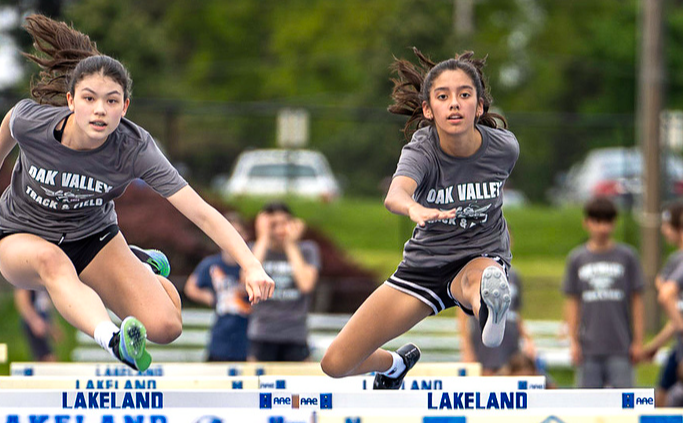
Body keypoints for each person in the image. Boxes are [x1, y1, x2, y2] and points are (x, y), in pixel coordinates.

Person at [0, 15, 274, 372]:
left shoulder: (134, 148)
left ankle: (140, 264)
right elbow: (10, 120)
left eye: (112, 101)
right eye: (89, 99)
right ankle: (114, 341)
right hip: (22, 235)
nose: (100, 110)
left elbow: (201, 212)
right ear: (70, 100)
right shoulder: (34, 123)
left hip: (91, 236)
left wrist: (251, 265)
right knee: (52, 262)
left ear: (124, 107)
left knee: (165, 327)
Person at [320, 49, 518, 389]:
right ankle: (396, 364)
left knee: (480, 278)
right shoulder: (422, 149)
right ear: (429, 109)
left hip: (477, 259)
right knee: (335, 363)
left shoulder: (504, 149)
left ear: (480, 106)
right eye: (443, 96)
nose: (454, 103)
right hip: (423, 267)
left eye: (464, 95)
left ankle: (488, 304)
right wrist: (413, 207)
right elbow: (396, 193)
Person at [563, 196, 644, 388]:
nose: (602, 228)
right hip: (588, 348)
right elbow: (572, 302)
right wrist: (573, 341)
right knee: (587, 405)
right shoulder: (577, 258)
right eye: (597, 221)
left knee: (625, 404)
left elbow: (637, 301)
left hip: (620, 347)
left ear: (614, 224)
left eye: (607, 222)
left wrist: (638, 341)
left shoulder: (627, 257)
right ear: (587, 223)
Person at [247, 202, 321, 362]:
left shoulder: (307, 250)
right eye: (274, 224)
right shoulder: (255, 249)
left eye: (285, 222)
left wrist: (290, 244)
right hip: (262, 333)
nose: (280, 229)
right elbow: (244, 281)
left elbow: (306, 284)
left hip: (295, 334)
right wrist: (263, 237)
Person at [184, 212, 253, 362]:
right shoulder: (211, 264)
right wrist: (209, 297)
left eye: (239, 233)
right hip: (221, 336)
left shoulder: (253, 264)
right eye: (229, 233)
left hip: (249, 336)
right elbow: (191, 287)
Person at [457, 266, 535, 375]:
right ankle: (487, 314)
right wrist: (466, 347)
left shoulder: (514, 276)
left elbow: (516, 313)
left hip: (510, 338)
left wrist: (527, 338)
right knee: (488, 374)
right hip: (483, 336)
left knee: (511, 374)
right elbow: (462, 314)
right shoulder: (474, 272)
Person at [642, 201, 683, 406]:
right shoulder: (675, 259)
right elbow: (678, 319)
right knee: (662, 396)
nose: (663, 230)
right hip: (678, 347)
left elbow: (667, 296)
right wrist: (655, 345)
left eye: (667, 225)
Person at [14, 288, 61, 362]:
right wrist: (34, 321)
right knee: (47, 358)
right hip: (34, 320)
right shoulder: (26, 280)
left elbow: (47, 305)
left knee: (49, 357)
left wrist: (53, 326)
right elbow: (22, 301)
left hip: (44, 318)